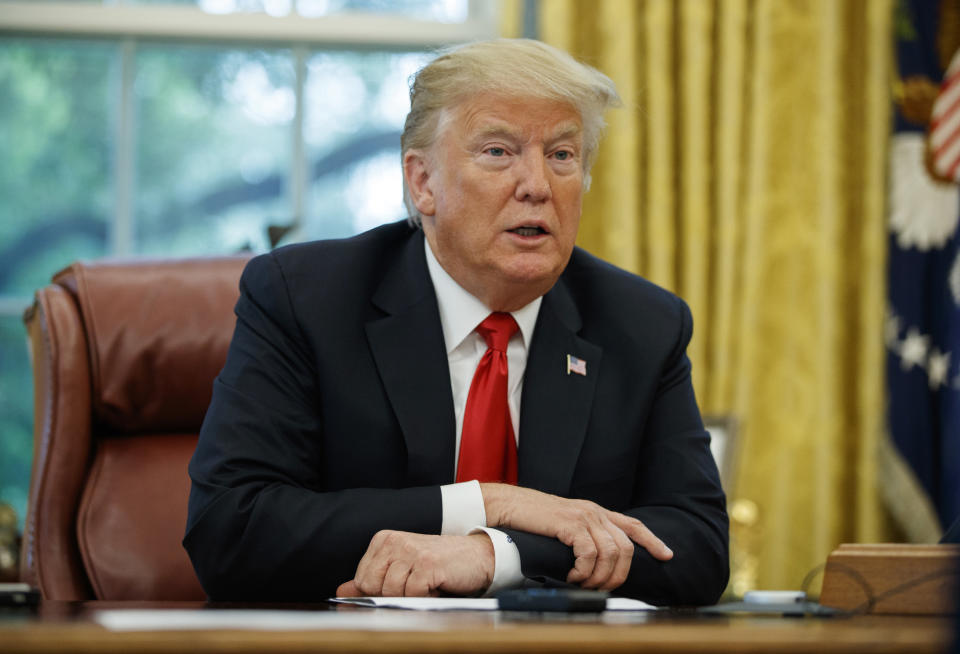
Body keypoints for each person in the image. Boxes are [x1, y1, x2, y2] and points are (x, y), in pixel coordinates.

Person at [184, 38, 729, 605]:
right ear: (423, 183)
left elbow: (698, 550)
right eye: (498, 151)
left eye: (563, 155)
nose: (538, 185)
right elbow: (231, 530)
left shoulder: (640, 324)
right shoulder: (307, 298)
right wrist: (491, 503)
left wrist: (500, 552)